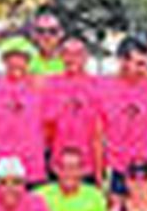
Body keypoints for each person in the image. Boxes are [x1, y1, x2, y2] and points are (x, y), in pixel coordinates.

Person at [99, 38, 147, 194]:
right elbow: (98, 135)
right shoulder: (103, 88)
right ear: (122, 61)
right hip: (117, 169)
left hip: (146, 170)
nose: (143, 69)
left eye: (145, 64)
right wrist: (99, 174)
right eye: (139, 63)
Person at [43, 34, 104, 180]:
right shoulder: (51, 84)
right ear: (61, 56)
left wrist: (99, 172)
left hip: (87, 163)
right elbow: (46, 125)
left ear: (86, 57)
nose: (71, 59)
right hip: (58, 163)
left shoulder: (97, 85)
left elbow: (99, 132)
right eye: (67, 53)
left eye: (77, 54)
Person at [0, 37, 48, 184]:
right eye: (11, 57)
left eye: (21, 58)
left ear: (28, 61)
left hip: (31, 165)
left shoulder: (40, 88)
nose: (16, 63)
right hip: (0, 163)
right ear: (4, 60)